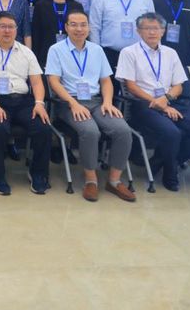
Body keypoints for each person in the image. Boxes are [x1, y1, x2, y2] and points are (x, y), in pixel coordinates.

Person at [115, 13, 190, 191]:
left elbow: (178, 85)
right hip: (142, 104)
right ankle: (170, 174)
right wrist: (158, 102)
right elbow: (131, 86)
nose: (152, 32)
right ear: (138, 31)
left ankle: (162, 161)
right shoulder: (129, 52)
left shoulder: (171, 53)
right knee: (172, 133)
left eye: (156, 28)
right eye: (147, 28)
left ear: (163, 31)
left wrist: (165, 100)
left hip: (171, 101)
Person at [45, 10, 135, 203]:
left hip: (97, 101)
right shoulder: (56, 49)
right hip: (68, 102)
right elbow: (54, 82)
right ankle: (91, 180)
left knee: (123, 130)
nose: (79, 29)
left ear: (89, 27)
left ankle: (114, 180)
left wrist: (108, 102)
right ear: (66, 27)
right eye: (74, 24)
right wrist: (73, 104)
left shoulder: (97, 50)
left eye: (83, 24)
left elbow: (106, 81)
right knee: (90, 131)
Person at [0, 11, 52, 195]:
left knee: (43, 127)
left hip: (23, 101)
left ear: (16, 30)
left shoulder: (26, 52)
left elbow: (37, 82)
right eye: (3, 26)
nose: (7, 31)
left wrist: (39, 103)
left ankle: (38, 174)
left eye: (11, 27)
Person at [88, 0, 153, 69]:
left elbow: (151, 27)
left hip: (139, 55)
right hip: (109, 55)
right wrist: (96, 54)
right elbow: (94, 27)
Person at [29, 0, 82, 67]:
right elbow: (36, 34)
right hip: (46, 56)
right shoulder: (41, 6)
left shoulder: (76, 7)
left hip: (72, 56)